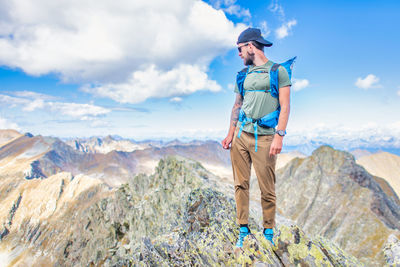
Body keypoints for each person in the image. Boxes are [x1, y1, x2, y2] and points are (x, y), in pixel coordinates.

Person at [221, 27, 291, 248]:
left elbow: (286, 106)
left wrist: (279, 135)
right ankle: (243, 229)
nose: (239, 54)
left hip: (266, 138)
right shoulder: (242, 75)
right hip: (241, 136)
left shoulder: (278, 71)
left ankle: (268, 231)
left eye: (240, 49)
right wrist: (230, 134)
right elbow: (237, 105)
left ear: (251, 46)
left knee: (266, 187)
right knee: (240, 184)